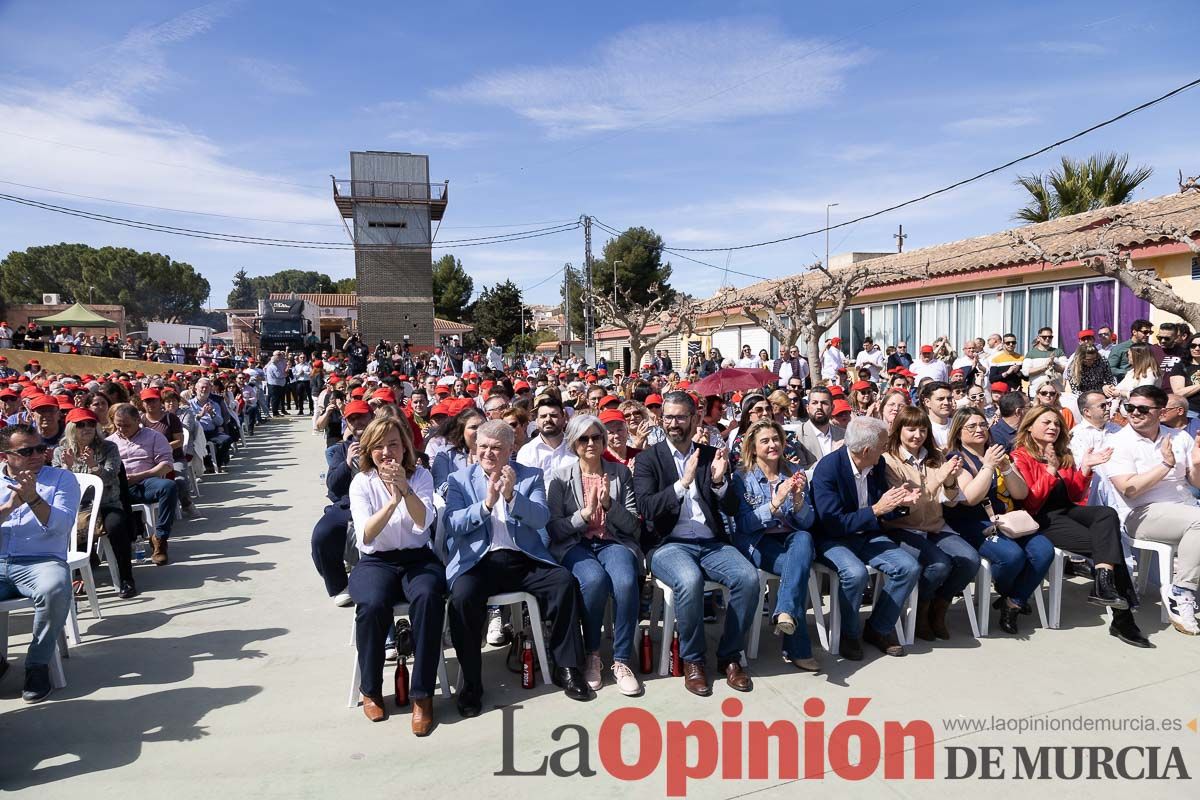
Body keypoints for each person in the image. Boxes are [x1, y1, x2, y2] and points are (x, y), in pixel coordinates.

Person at [443, 420, 591, 716]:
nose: (488, 453)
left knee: (563, 582)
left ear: (511, 449)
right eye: (483, 446)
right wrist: (485, 505)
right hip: (478, 561)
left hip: (522, 558)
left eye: (496, 448)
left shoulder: (530, 476)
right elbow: (453, 524)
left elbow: (539, 518)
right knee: (461, 599)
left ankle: (567, 667)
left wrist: (512, 496)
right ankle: (471, 683)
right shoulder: (460, 480)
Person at [633, 391, 757, 695]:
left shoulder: (708, 454)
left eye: (680, 417)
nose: (674, 423)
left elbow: (730, 507)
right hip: (667, 545)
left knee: (749, 578)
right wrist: (681, 484)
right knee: (689, 581)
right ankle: (693, 660)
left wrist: (718, 482)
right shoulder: (648, 459)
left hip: (711, 542)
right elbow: (646, 508)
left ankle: (730, 656)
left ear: (694, 418)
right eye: (669, 417)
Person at [1011, 406, 1151, 647]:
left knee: (1106, 514)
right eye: (1046, 422)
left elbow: (1075, 493)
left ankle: (1104, 582)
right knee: (1108, 544)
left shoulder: (1062, 452)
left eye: (1056, 423)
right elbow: (1031, 501)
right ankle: (1123, 618)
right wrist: (1050, 470)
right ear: (1030, 426)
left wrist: (1086, 467)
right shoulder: (1020, 456)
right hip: (1041, 517)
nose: (1053, 427)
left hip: (1067, 510)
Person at [347, 417, 443, 733]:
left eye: (394, 444)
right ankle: (371, 688)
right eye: (379, 446)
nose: (387, 453)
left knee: (429, 598)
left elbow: (424, 522)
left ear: (405, 448)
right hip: (377, 560)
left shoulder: (422, 476)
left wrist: (405, 489)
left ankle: (422, 695)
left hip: (417, 558)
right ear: (369, 451)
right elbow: (366, 536)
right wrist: (391, 502)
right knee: (372, 605)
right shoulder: (362, 482)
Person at [546, 415, 643, 696]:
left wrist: (609, 505)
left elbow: (634, 526)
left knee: (626, 582)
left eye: (596, 437)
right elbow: (554, 529)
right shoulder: (561, 478)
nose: (591, 443)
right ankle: (593, 654)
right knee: (594, 581)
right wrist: (584, 515)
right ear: (573, 443)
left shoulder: (619, 473)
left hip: (613, 542)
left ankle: (622, 660)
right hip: (576, 545)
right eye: (584, 438)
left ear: (604, 441)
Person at [810, 416, 921, 658]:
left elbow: (883, 503)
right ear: (867, 449)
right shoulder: (828, 469)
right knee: (855, 573)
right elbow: (832, 523)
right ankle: (849, 634)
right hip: (833, 539)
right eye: (883, 445)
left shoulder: (876, 464)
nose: (886, 449)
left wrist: (900, 503)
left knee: (908, 567)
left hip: (868, 534)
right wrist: (876, 510)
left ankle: (878, 628)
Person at [943, 408, 1052, 635]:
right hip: (973, 523)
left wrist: (1006, 468)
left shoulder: (1001, 453)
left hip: (1008, 520)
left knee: (1044, 549)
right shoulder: (956, 459)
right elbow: (971, 498)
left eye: (982, 424)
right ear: (958, 432)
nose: (979, 430)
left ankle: (1013, 601)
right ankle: (1012, 593)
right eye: (971, 426)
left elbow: (1021, 494)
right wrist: (989, 466)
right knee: (1011, 556)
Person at [1106, 385, 1200, 636]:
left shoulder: (1180, 437)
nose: (1134, 413)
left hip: (1186, 507)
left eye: (1142, 408)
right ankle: (1181, 592)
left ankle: (1184, 587)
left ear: (1161, 412)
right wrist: (1165, 465)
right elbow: (1129, 489)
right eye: (1130, 407)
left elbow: (1196, 483)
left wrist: (1198, 463)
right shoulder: (1119, 441)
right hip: (1141, 514)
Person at [880, 407, 980, 641]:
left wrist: (952, 479)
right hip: (903, 528)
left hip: (935, 525)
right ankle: (920, 611)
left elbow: (953, 501)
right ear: (899, 430)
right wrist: (940, 476)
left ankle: (939, 606)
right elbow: (910, 501)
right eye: (911, 429)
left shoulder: (936, 457)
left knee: (970, 560)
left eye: (922, 430)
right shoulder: (888, 461)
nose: (917, 435)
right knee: (939, 565)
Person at [0, 423, 81, 702]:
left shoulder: (61, 479)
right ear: (5, 455)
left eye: (41, 448)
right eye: (26, 451)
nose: (36, 455)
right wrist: (10, 506)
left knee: (55, 589)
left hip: (42, 561)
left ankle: (36, 665)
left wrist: (33, 498)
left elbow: (61, 527)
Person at [732, 419, 819, 671]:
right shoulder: (742, 478)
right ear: (753, 447)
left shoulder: (794, 471)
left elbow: (808, 521)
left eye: (776, 439)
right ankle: (797, 647)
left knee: (804, 539)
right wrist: (775, 503)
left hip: (793, 540)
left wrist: (800, 502)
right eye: (765, 441)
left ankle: (784, 612)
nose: (773, 445)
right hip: (759, 542)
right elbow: (744, 525)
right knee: (798, 572)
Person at [52, 408, 139, 599]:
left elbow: (110, 477)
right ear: (71, 428)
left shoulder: (108, 448)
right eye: (81, 424)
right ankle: (75, 573)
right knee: (58, 527)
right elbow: (57, 485)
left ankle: (126, 579)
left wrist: (93, 465)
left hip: (107, 503)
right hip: (77, 507)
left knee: (116, 526)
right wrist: (66, 468)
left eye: (91, 424)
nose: (87, 428)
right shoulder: (61, 451)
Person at [311, 399, 374, 606]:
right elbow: (333, 486)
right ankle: (339, 584)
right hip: (348, 503)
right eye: (352, 419)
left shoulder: (384, 442)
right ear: (347, 423)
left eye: (362, 416)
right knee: (322, 534)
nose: (358, 422)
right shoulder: (341, 449)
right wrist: (347, 464)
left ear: (372, 417)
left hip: (380, 499)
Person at [109, 403, 178, 566]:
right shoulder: (109, 442)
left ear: (138, 420)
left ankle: (160, 538)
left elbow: (167, 465)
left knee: (169, 486)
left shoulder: (154, 437)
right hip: (118, 486)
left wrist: (140, 476)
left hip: (146, 481)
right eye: (118, 425)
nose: (122, 429)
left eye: (127, 425)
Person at [430, 407, 485, 496]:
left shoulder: (496, 452)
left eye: (483, 426)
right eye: (473, 427)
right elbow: (439, 485)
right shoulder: (446, 453)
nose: (479, 431)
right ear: (462, 430)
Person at [516, 396, 575, 475]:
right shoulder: (527, 452)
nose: (548, 419)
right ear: (536, 422)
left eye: (553, 415)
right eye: (543, 416)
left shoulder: (576, 447)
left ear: (564, 420)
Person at [793, 386, 844, 469]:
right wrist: (831, 457)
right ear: (807, 408)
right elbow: (802, 471)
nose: (819, 407)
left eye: (824, 403)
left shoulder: (843, 435)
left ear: (832, 408)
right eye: (814, 403)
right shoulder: (798, 437)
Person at [1168, 332, 1200, 421]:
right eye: (1193, 345)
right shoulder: (1180, 366)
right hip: (1191, 412)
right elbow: (1179, 393)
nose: (1197, 349)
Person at [919, 381, 955, 448]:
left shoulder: (958, 424)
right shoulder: (921, 427)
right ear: (927, 402)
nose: (946, 402)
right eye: (940, 399)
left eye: (949, 398)